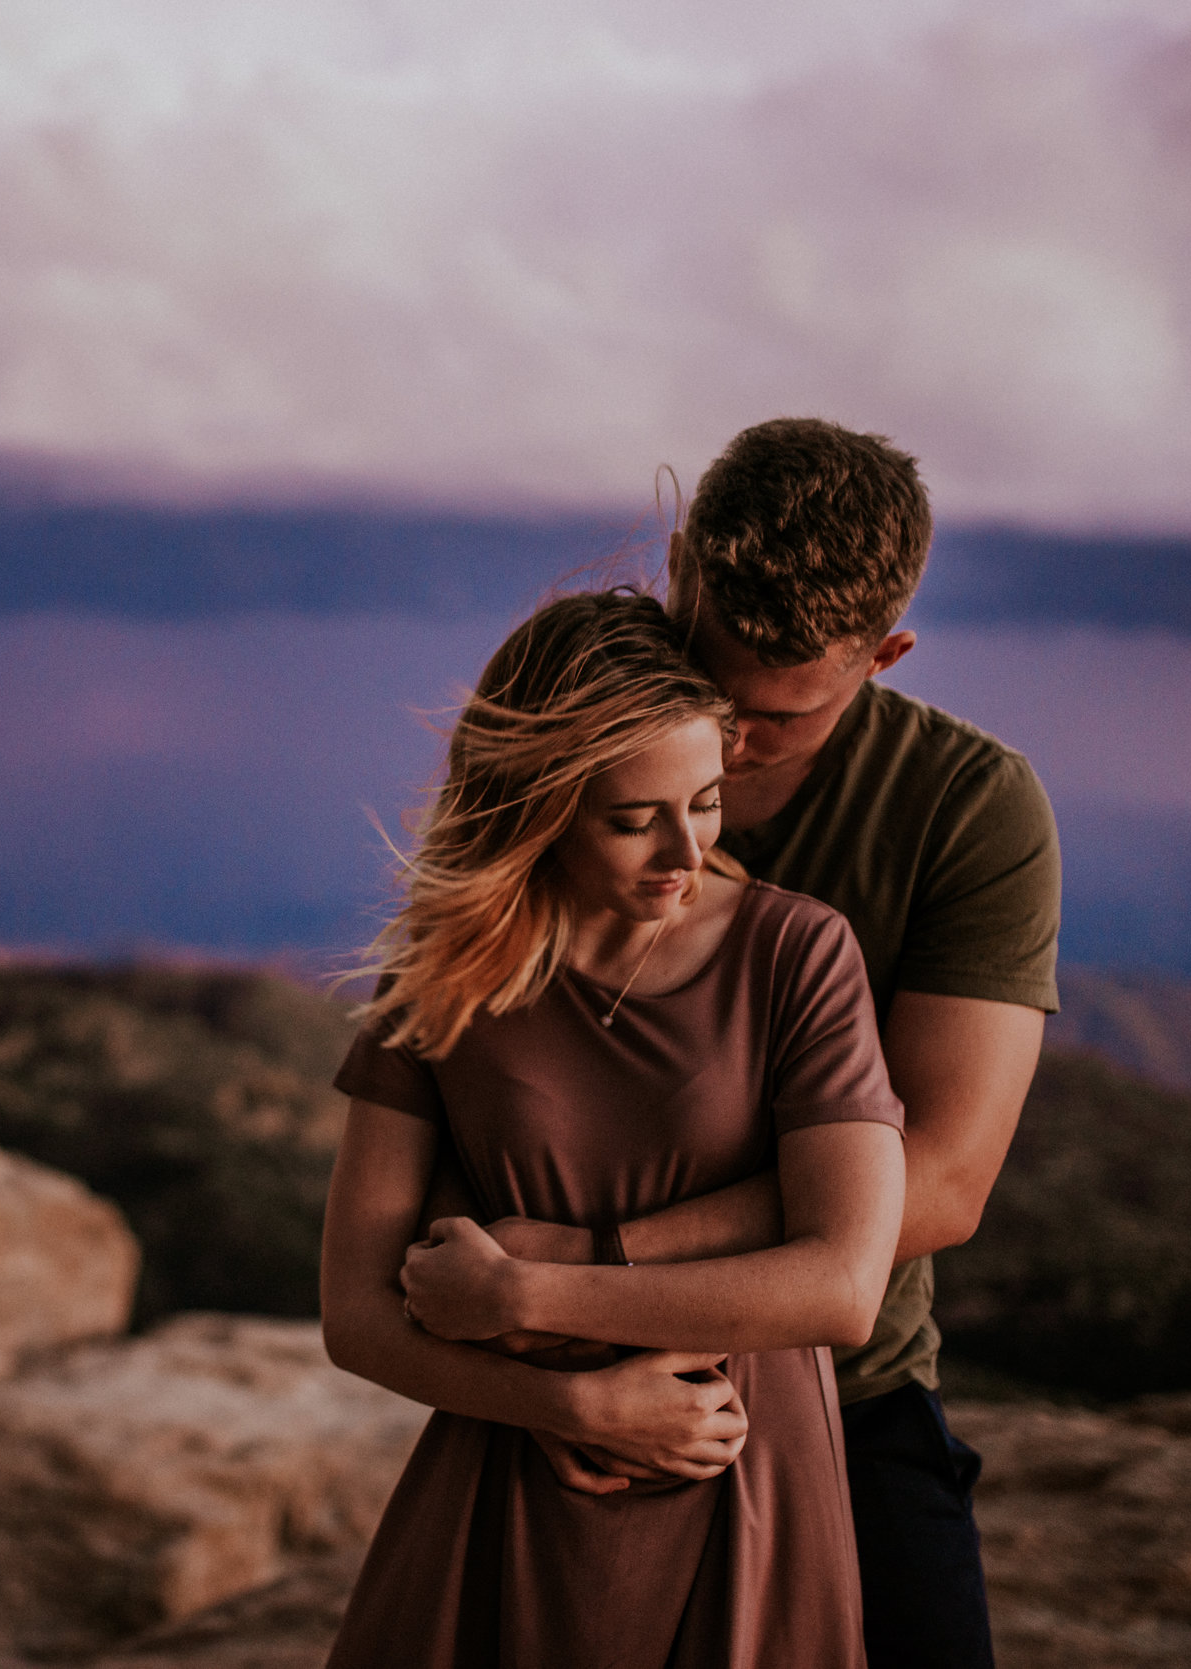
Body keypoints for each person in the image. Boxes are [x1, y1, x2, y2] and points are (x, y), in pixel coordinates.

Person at [406, 418, 1060, 1668]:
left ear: (885, 655)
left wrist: (579, 1271)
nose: (735, 738)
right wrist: (559, 1376)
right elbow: (462, 1037)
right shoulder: (568, 732)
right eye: (712, 678)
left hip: (839, 1385)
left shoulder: (969, 809)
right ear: (678, 568)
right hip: (552, 1382)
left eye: (777, 718)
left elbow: (942, 1179)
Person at [319, 588, 908, 1666]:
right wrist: (569, 1404)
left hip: (739, 1466)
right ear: (534, 807)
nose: (683, 850)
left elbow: (843, 1284)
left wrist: (529, 1293)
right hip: (506, 1470)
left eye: (707, 800)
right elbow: (353, 1316)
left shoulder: (796, 954)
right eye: (633, 819)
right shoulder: (444, 973)